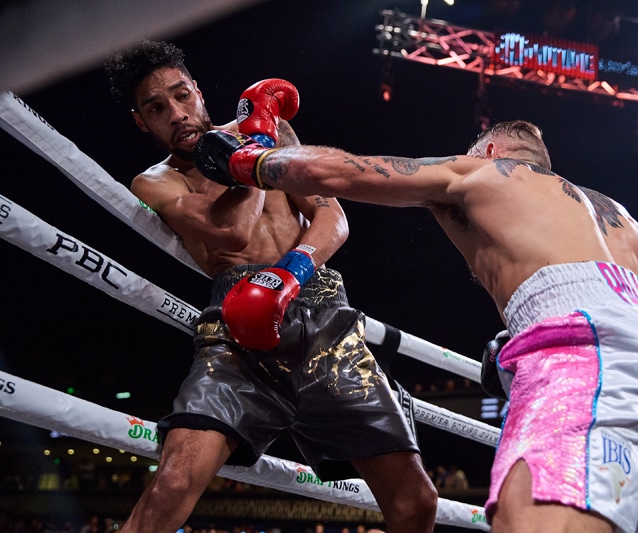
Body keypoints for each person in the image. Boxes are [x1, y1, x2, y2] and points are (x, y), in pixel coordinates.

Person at [193, 119, 638, 533]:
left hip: (592, 360)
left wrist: (251, 162)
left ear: (487, 151)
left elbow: (347, 172)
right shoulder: (615, 214)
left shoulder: (484, 174)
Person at [103, 40, 437, 533]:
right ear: (142, 121)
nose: (176, 113)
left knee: (416, 501)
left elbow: (332, 215)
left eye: (181, 96)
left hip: (321, 313)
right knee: (171, 485)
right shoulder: (157, 181)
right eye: (157, 108)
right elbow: (231, 233)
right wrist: (252, 155)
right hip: (236, 331)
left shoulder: (267, 127)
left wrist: (292, 271)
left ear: (197, 90)